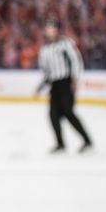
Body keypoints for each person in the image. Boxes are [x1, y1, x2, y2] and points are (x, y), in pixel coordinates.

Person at [35, 20, 92, 153]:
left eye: (53, 29)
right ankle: (60, 144)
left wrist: (75, 79)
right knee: (53, 115)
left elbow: (76, 61)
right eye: (48, 29)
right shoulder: (44, 50)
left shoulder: (66, 44)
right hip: (54, 85)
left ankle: (87, 140)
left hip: (66, 82)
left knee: (68, 112)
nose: (50, 32)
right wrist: (41, 86)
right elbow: (46, 71)